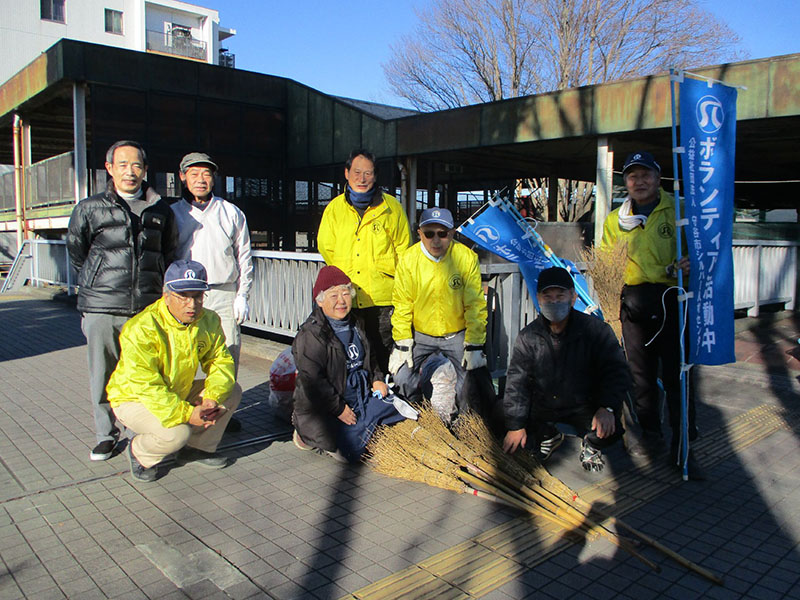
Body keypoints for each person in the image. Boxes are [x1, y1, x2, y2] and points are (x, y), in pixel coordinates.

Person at [67, 140, 178, 462]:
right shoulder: (89, 208)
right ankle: (105, 435)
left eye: (136, 165)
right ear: (110, 168)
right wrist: (97, 285)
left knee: (146, 373)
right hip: (102, 306)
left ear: (145, 170)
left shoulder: (161, 210)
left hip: (145, 307)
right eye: (123, 165)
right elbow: (78, 254)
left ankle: (141, 433)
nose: (130, 171)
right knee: (102, 372)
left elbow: (168, 253)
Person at [601, 151, 703, 480]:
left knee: (678, 376)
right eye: (633, 176)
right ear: (625, 182)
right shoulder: (615, 219)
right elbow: (605, 263)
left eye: (646, 175)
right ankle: (651, 435)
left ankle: (683, 446)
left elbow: (702, 250)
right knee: (639, 376)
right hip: (632, 302)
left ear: (658, 179)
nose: (639, 182)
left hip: (672, 298)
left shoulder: (679, 210)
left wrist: (691, 261)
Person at [107, 260, 241, 483]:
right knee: (177, 433)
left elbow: (220, 361)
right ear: (166, 294)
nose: (192, 304)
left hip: (176, 391)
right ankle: (139, 452)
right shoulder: (141, 327)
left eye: (198, 296)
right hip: (133, 398)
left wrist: (211, 398)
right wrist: (188, 415)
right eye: (183, 296)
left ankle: (196, 449)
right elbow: (146, 386)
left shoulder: (208, 320)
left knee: (232, 391)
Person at [502, 267, 630, 472]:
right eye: (548, 296)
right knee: (510, 422)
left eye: (560, 295)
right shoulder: (529, 336)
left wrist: (607, 407)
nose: (554, 302)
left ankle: (591, 445)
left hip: (585, 404)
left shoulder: (596, 331)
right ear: (539, 299)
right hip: (545, 404)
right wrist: (515, 425)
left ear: (573, 297)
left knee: (606, 429)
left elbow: (617, 371)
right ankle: (549, 436)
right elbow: (517, 381)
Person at [291, 266, 406, 463]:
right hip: (328, 406)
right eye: (333, 295)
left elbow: (371, 360)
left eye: (345, 293)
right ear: (319, 300)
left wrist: (377, 380)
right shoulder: (311, 335)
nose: (341, 301)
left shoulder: (357, 323)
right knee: (351, 452)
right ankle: (310, 435)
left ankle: (367, 423)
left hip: (360, 395)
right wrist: (339, 409)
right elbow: (314, 382)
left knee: (404, 407)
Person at [390, 207, 488, 424]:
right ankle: (414, 414)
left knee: (470, 378)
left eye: (442, 234)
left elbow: (475, 304)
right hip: (421, 334)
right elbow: (402, 303)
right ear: (419, 234)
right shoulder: (408, 259)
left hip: (456, 333)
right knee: (401, 375)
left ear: (452, 233)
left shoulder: (465, 258)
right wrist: (402, 342)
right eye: (429, 233)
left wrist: (474, 344)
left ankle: (466, 423)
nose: (436, 240)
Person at [317, 149, 411, 373]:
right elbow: (326, 247)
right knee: (349, 354)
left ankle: (384, 400)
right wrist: (343, 277)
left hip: (382, 300)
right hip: (346, 298)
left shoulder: (392, 208)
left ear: (375, 176)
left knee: (383, 354)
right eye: (357, 172)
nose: (362, 178)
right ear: (347, 173)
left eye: (368, 173)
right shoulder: (334, 209)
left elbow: (403, 251)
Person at [171, 152, 253, 374]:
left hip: (223, 294)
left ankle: (225, 407)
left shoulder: (231, 212)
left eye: (206, 174)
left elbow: (244, 256)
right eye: (194, 174)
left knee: (226, 357)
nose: (200, 179)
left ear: (214, 178)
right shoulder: (173, 213)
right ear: (182, 177)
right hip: (185, 294)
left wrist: (242, 295)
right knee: (183, 360)